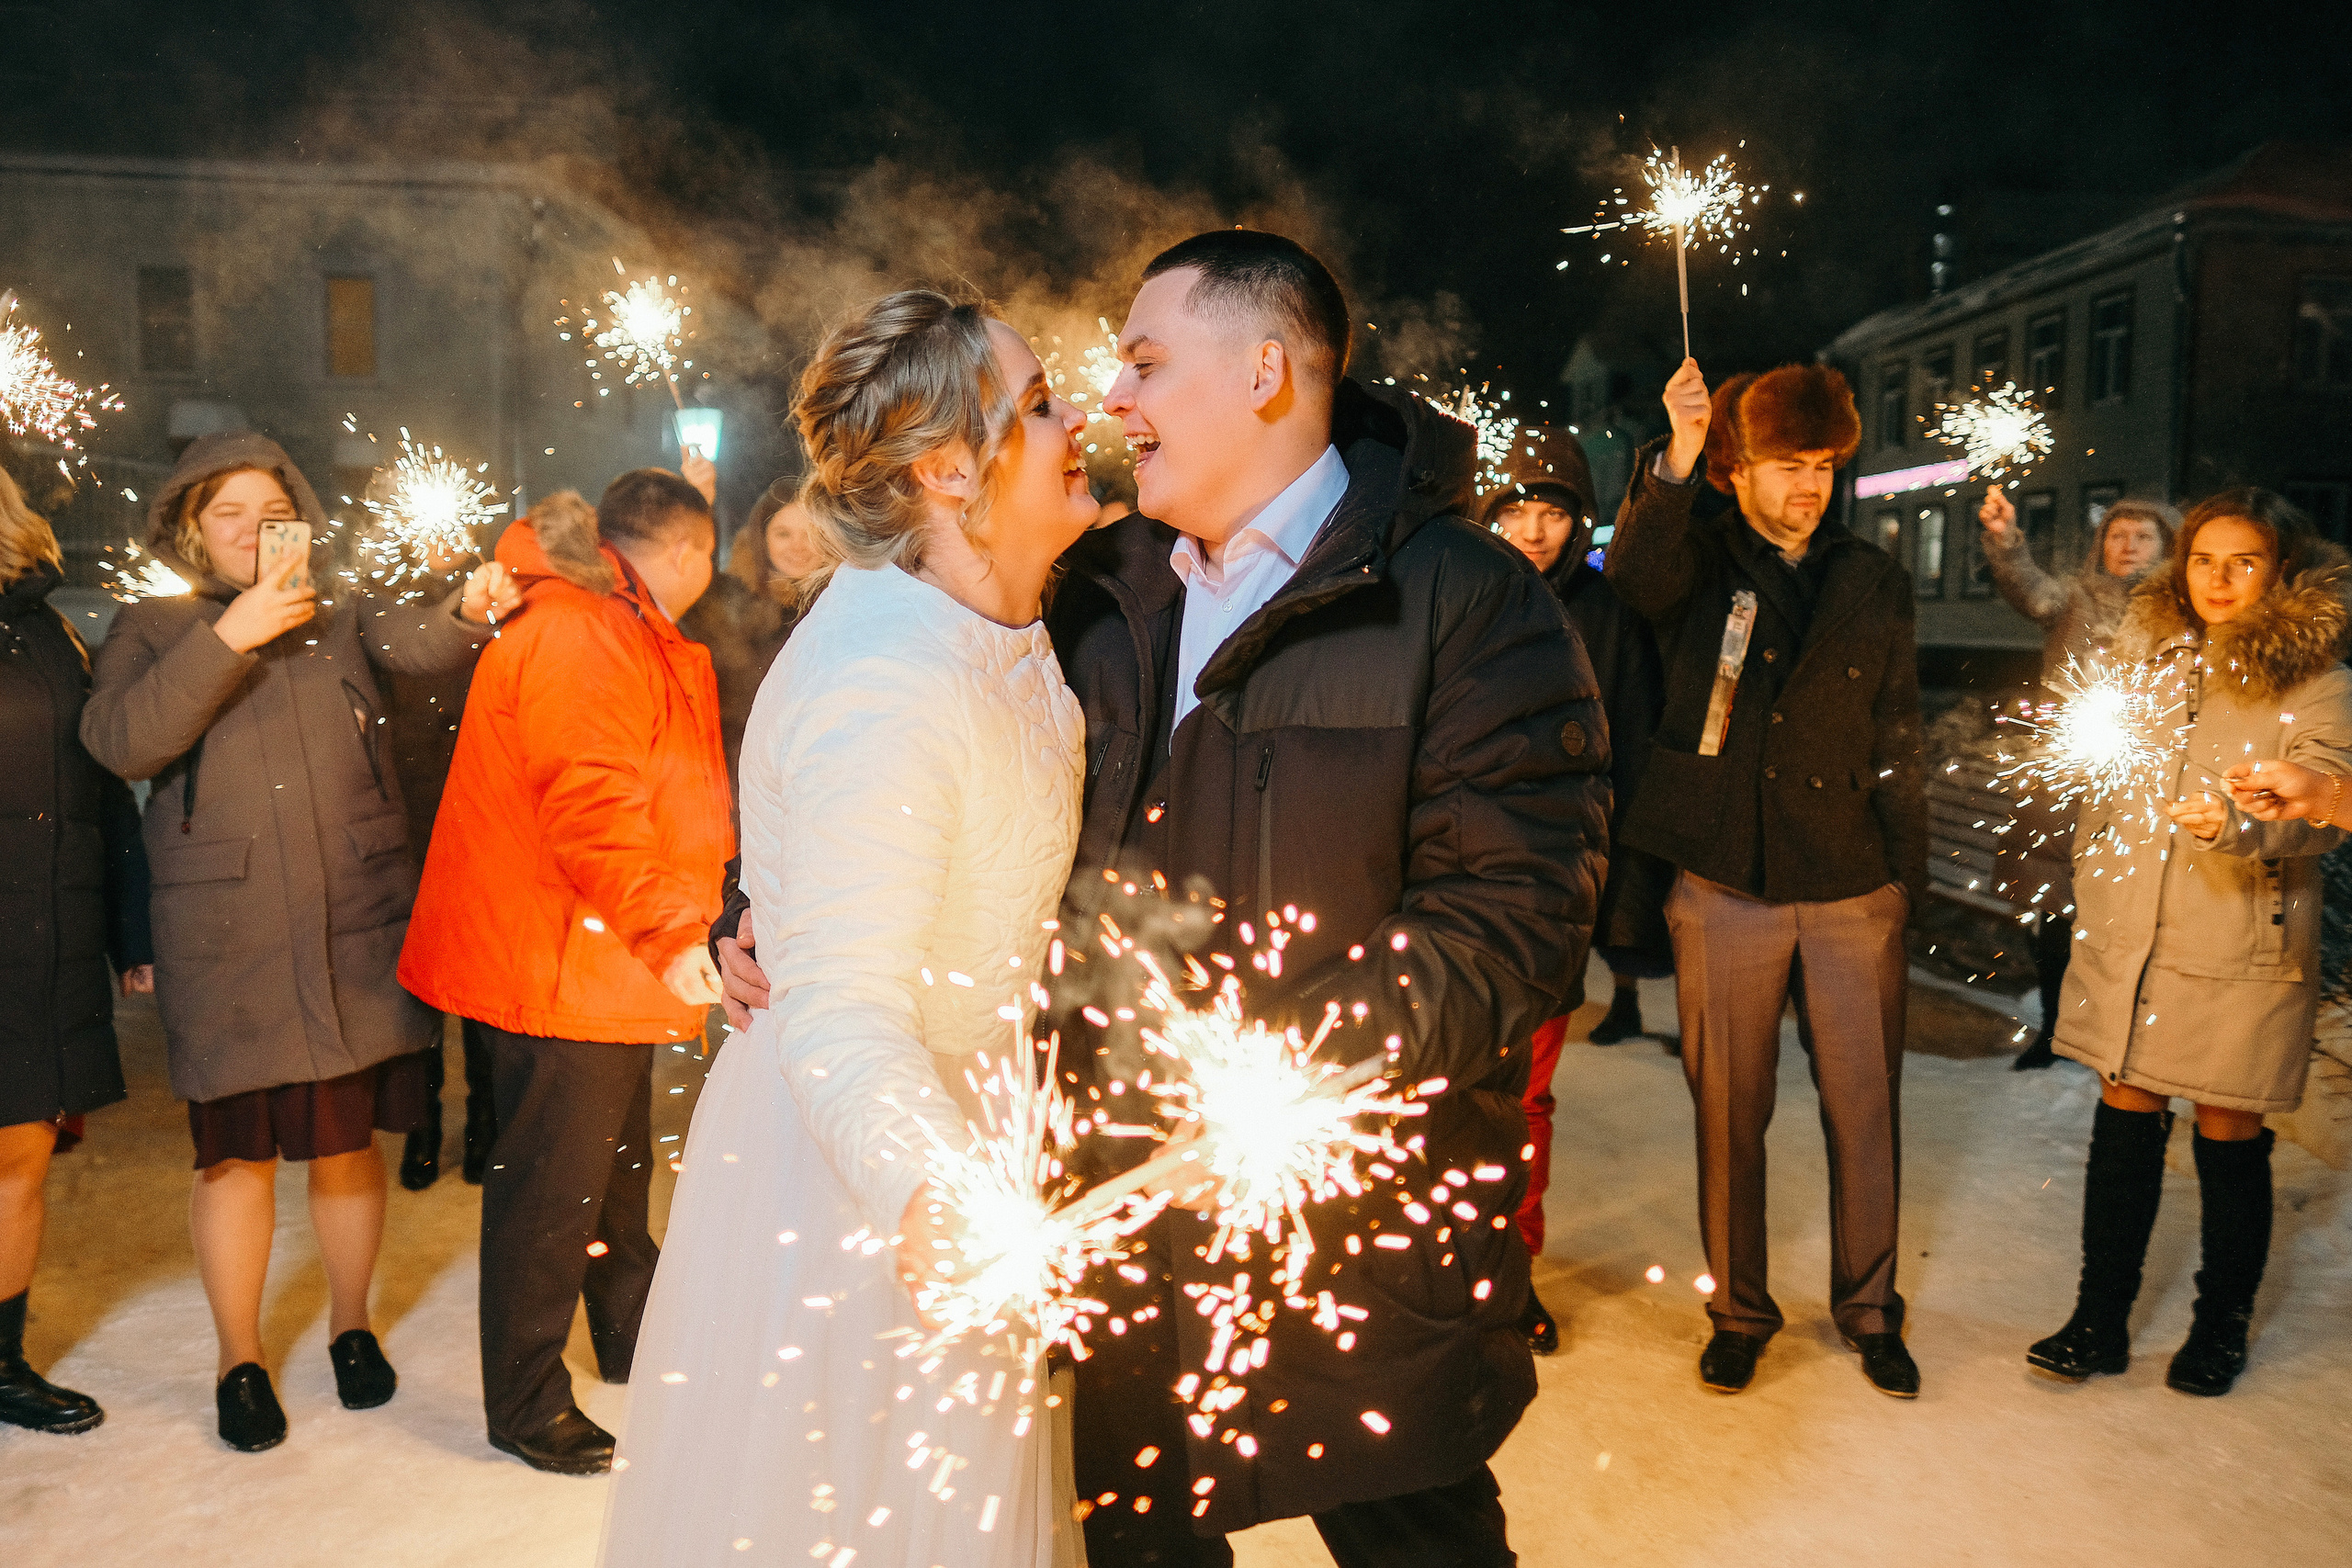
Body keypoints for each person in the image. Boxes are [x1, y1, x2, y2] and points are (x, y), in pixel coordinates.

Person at [721, 233, 1608, 1567]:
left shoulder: (1465, 602)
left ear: (1263, 371)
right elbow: (905, 727)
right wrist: (754, 902)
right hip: (1115, 1211)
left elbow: (1514, 917)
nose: (1112, 401)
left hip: (1348, 1218)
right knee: (1135, 1540)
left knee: (1412, 1531)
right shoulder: (1104, 582)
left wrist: (1282, 1067)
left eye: (1142, 364)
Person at [602, 291, 1099, 1567]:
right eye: (1038, 404)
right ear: (944, 466)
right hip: (858, 1164)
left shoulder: (1001, 605)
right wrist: (930, 1184)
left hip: (972, 1098)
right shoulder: (885, 683)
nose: (1075, 419)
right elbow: (836, 1003)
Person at [80, 433, 516, 1452]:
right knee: (233, 1159)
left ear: (303, 527)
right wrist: (228, 637)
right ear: (190, 528)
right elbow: (122, 740)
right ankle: (238, 1357)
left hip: (350, 925)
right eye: (226, 513)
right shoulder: (152, 629)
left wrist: (467, 608)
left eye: (271, 513)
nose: (251, 532)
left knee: (344, 1146)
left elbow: (421, 644)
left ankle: (352, 1327)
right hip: (226, 937)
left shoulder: (341, 617)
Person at [1606, 358, 1927, 1400]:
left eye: (1825, 465)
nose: (1809, 486)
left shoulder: (1872, 577)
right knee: (1728, 1111)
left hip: (1849, 882)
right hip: (1726, 879)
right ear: (1739, 470)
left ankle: (1871, 1308)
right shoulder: (1695, 559)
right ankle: (1738, 1311)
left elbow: (1897, 733)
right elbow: (1633, 577)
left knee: (1864, 1107)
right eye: (1787, 464)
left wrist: (1901, 885)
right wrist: (1678, 454)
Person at [398, 477, 729, 1475]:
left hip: (602, 957)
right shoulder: (585, 629)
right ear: (685, 554)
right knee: (552, 1192)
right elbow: (590, 802)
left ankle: (631, 1338)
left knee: (618, 1179)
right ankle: (526, 1401)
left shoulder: (618, 621)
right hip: (561, 953)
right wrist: (673, 930)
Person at [2029, 489, 2352, 1397]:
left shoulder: (2317, 682)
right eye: (2203, 559)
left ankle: (2221, 1326)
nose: (2218, 579)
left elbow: (2321, 810)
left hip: (2238, 943)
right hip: (2131, 933)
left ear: (2278, 570)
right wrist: (2095, 867)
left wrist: (2236, 823)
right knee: (2122, 1121)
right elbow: (2105, 778)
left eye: (2241, 561)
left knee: (2226, 1129)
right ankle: (2097, 1319)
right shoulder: (2147, 655)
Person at [1480, 438, 1670, 1358]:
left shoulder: (1605, 617)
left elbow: (1627, 749)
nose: (1532, 530)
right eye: (1514, 510)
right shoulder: (1451, 590)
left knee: (1527, 1101)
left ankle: (1513, 1274)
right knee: (1444, 1094)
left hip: (1554, 891)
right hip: (1452, 888)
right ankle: (1439, 1271)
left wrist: (1614, 897)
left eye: (1552, 511)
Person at [0, 467, 153, 1436]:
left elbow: (100, 791)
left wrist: (128, 927)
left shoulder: (48, 628)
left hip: (40, 933)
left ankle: (1, 1362)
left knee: (20, 1149)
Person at [1979, 489, 2179, 1069]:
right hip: (2065, 780)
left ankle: (2124, 1035)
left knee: (2131, 915)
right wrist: (2004, 539)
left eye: (2143, 536)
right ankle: (2057, 1031)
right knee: (2055, 910)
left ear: (2168, 546)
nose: (2128, 546)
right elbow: (2029, 590)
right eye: (2117, 535)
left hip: (2144, 784)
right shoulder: (2075, 599)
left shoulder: (2181, 612)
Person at [679, 473, 800, 796]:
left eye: (811, 533)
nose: (799, 546)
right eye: (783, 533)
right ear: (762, 539)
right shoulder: (735, 604)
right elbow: (697, 587)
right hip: (740, 780)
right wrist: (699, 503)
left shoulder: (845, 604)